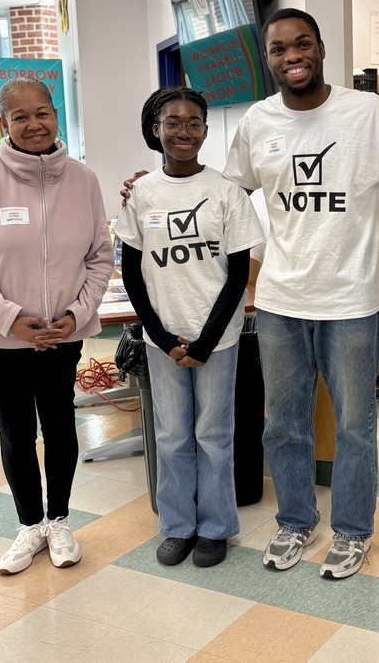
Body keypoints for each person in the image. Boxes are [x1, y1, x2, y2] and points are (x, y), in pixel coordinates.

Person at [123, 8, 379, 580]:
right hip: (278, 302)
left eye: (302, 44)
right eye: (278, 49)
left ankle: (351, 531)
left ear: (321, 49)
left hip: (351, 301)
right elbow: (219, 193)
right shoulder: (256, 122)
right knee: (284, 423)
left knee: (354, 426)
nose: (291, 55)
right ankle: (295, 522)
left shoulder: (369, 114)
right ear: (268, 59)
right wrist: (150, 186)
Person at [0, 77, 114, 575]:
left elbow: (99, 257)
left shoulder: (83, 179)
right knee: (17, 432)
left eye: (42, 112)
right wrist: (12, 322)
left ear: (55, 115)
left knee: (61, 425)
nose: (33, 124)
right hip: (2, 338)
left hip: (62, 334)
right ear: (5, 124)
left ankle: (59, 520)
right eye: (20, 117)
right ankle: (28, 525)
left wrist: (75, 316)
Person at [116, 86, 265, 568]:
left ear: (205, 129)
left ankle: (217, 527)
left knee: (214, 434)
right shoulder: (141, 193)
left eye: (194, 123)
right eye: (172, 122)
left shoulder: (225, 192)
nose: (184, 131)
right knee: (173, 434)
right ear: (155, 130)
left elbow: (238, 275)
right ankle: (178, 526)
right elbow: (133, 272)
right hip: (163, 339)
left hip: (217, 340)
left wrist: (203, 341)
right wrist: (159, 336)